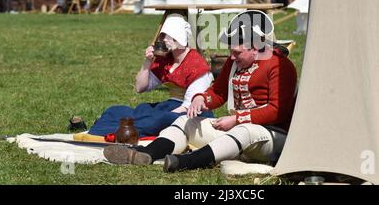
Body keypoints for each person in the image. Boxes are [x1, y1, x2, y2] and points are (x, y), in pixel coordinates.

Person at [103, 10, 298, 172]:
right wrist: (201, 98)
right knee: (185, 121)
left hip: (274, 137)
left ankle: (185, 163)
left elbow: (276, 110)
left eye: (237, 52)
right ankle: (143, 154)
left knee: (244, 131)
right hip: (238, 128)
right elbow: (219, 92)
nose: (232, 57)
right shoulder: (233, 61)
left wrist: (237, 119)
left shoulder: (281, 66)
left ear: (256, 48)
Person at [88, 14, 214, 138]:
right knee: (117, 111)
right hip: (169, 106)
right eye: (163, 35)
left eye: (168, 35)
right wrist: (148, 61)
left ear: (179, 36)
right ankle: (122, 128)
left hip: (190, 112)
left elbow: (188, 107)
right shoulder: (166, 60)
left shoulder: (197, 65)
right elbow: (140, 88)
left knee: (161, 119)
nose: (164, 39)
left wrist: (158, 116)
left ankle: (125, 132)